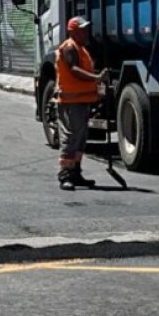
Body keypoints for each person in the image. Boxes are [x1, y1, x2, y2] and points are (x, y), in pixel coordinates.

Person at [55, 16, 109, 191]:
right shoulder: (69, 48)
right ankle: (65, 175)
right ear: (73, 31)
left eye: (86, 29)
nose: (86, 32)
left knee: (80, 140)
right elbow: (74, 70)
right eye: (82, 29)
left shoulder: (81, 48)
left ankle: (76, 173)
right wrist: (97, 78)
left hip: (82, 100)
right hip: (71, 102)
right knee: (71, 139)